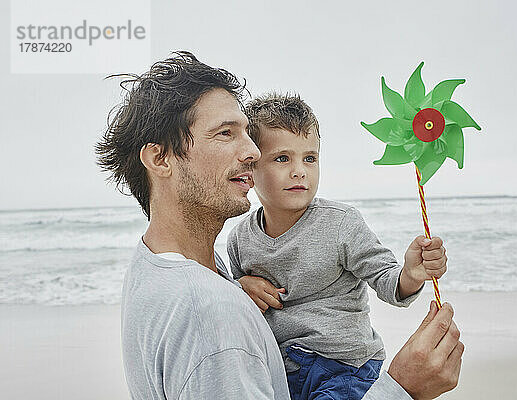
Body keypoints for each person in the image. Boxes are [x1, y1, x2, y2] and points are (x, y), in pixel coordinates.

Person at [96, 51, 464, 399]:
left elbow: (385, 278)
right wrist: (403, 388)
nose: (253, 152)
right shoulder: (211, 313)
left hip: (343, 368)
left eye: (247, 134)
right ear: (160, 158)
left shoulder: (158, 265)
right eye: (226, 133)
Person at [227, 93, 449, 400]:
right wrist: (242, 287)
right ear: (250, 168)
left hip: (345, 367)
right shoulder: (240, 239)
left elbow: (386, 280)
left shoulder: (341, 223)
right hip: (282, 370)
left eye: (310, 158)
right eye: (282, 158)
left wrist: (411, 273)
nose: (299, 171)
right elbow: (240, 314)